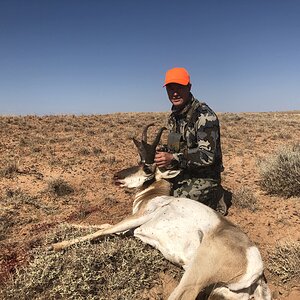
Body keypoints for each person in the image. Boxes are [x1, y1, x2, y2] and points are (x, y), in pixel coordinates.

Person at [154, 67, 227, 215]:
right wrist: (161, 152)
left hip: (205, 176)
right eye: (170, 88)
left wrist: (173, 158)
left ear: (189, 87)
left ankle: (215, 195)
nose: (175, 93)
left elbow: (207, 156)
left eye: (179, 87)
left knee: (175, 203)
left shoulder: (204, 116)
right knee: (155, 194)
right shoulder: (174, 117)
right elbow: (175, 146)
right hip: (183, 171)